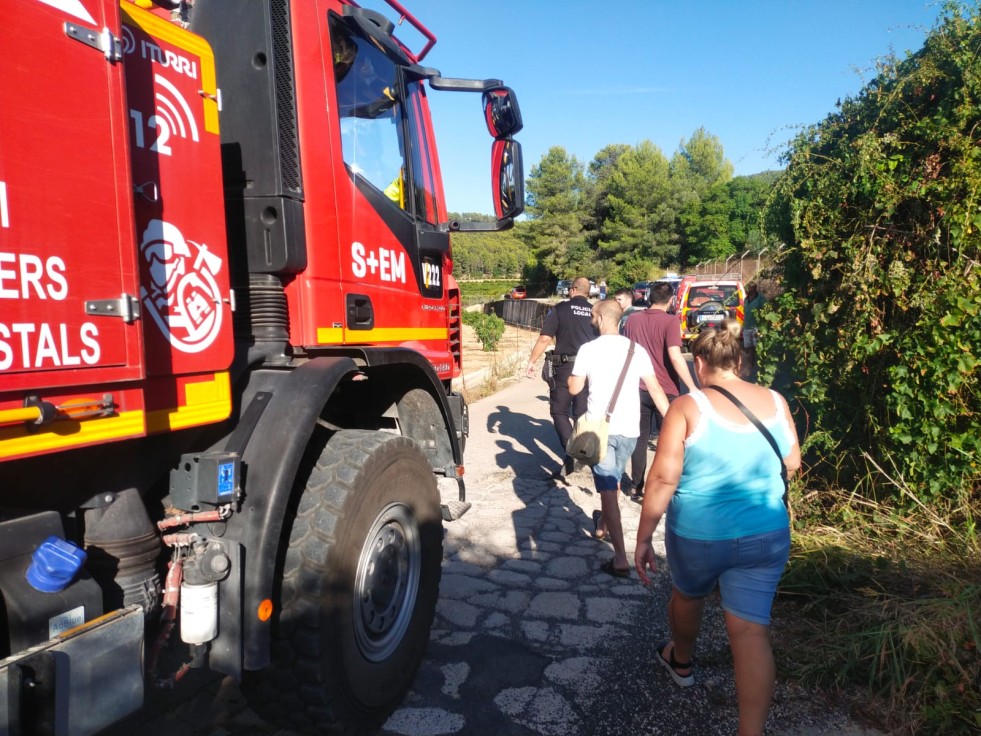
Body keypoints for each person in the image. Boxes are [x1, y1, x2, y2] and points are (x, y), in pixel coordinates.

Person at [634, 320, 801, 736]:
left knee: (687, 598)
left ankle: (682, 661)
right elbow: (793, 464)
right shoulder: (777, 402)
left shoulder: (688, 407)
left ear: (701, 361)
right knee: (749, 631)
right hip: (766, 532)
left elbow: (662, 479)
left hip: (700, 535)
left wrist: (643, 537)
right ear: (740, 361)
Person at [568, 299, 668, 576]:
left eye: (592, 316)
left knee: (609, 491)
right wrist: (674, 423)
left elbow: (574, 389)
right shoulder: (637, 350)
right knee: (611, 484)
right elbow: (657, 391)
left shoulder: (588, 349)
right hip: (630, 431)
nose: (590, 320)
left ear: (600, 318)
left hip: (600, 431)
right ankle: (601, 526)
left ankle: (621, 559)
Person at [622, 281, 697, 501]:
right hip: (666, 390)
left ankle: (636, 485)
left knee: (640, 439)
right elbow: (675, 356)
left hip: (637, 388)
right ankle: (662, 486)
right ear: (671, 300)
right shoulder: (671, 321)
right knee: (668, 442)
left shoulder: (632, 320)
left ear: (648, 297)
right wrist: (692, 386)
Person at [525, 277, 597, 477]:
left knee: (559, 412)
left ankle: (571, 452)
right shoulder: (595, 311)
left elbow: (545, 338)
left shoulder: (560, 309)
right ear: (588, 292)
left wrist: (532, 361)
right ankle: (583, 454)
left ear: (573, 290)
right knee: (582, 412)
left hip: (565, 368)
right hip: (589, 369)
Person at [742, 282, 765, 381]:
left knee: (757, 347)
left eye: (749, 288)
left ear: (754, 288)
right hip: (747, 327)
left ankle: (759, 368)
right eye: (747, 288)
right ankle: (749, 368)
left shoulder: (761, 299)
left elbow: (765, 311)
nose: (747, 289)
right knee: (748, 348)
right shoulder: (746, 299)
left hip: (757, 327)